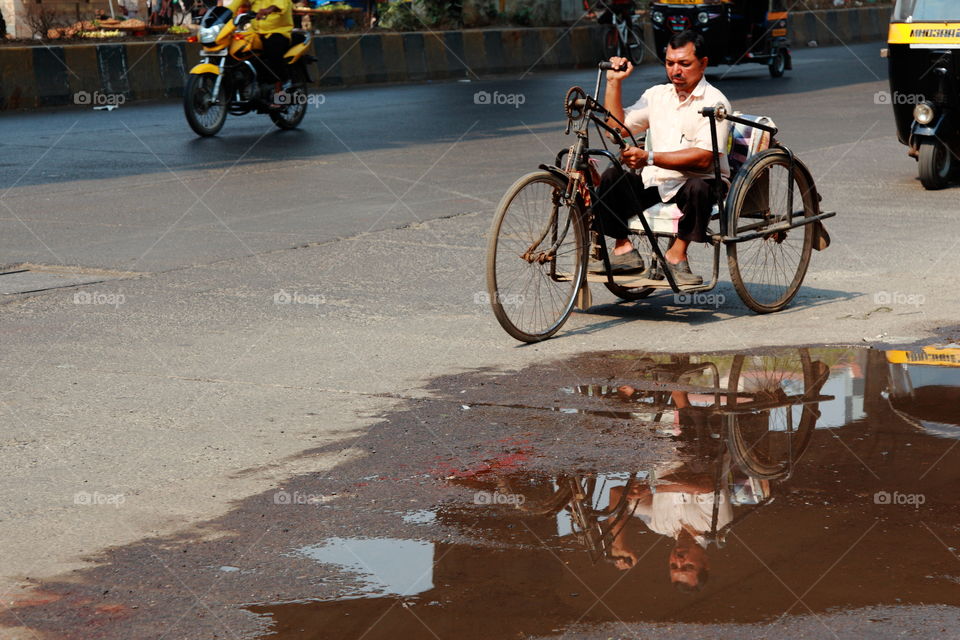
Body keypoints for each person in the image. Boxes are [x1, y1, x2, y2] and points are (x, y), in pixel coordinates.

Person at [592, 29, 732, 285]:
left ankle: (677, 255)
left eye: (684, 64)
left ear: (703, 64)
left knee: (698, 187)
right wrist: (614, 82)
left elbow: (704, 159)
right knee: (612, 175)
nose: (675, 70)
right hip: (658, 182)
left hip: (699, 183)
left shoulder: (715, 102)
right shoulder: (656, 95)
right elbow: (618, 131)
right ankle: (623, 249)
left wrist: (649, 157)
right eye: (670, 63)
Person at [224, 0, 293, 102]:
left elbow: (281, 3)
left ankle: (281, 91)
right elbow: (236, 4)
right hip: (254, 31)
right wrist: (221, 14)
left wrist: (268, 9)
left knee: (273, 52)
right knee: (233, 48)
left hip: (277, 30)